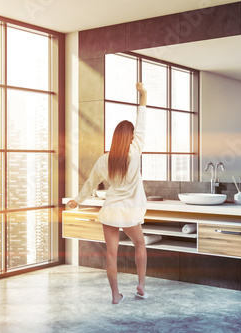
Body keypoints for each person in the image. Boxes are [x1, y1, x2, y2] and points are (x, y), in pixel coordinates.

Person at [67, 82, 148, 305]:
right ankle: (141, 285)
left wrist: (77, 200)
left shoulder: (105, 159)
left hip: (111, 210)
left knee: (111, 256)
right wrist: (143, 95)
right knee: (139, 245)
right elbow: (142, 124)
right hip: (129, 212)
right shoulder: (135, 151)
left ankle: (115, 296)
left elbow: (91, 181)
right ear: (130, 138)